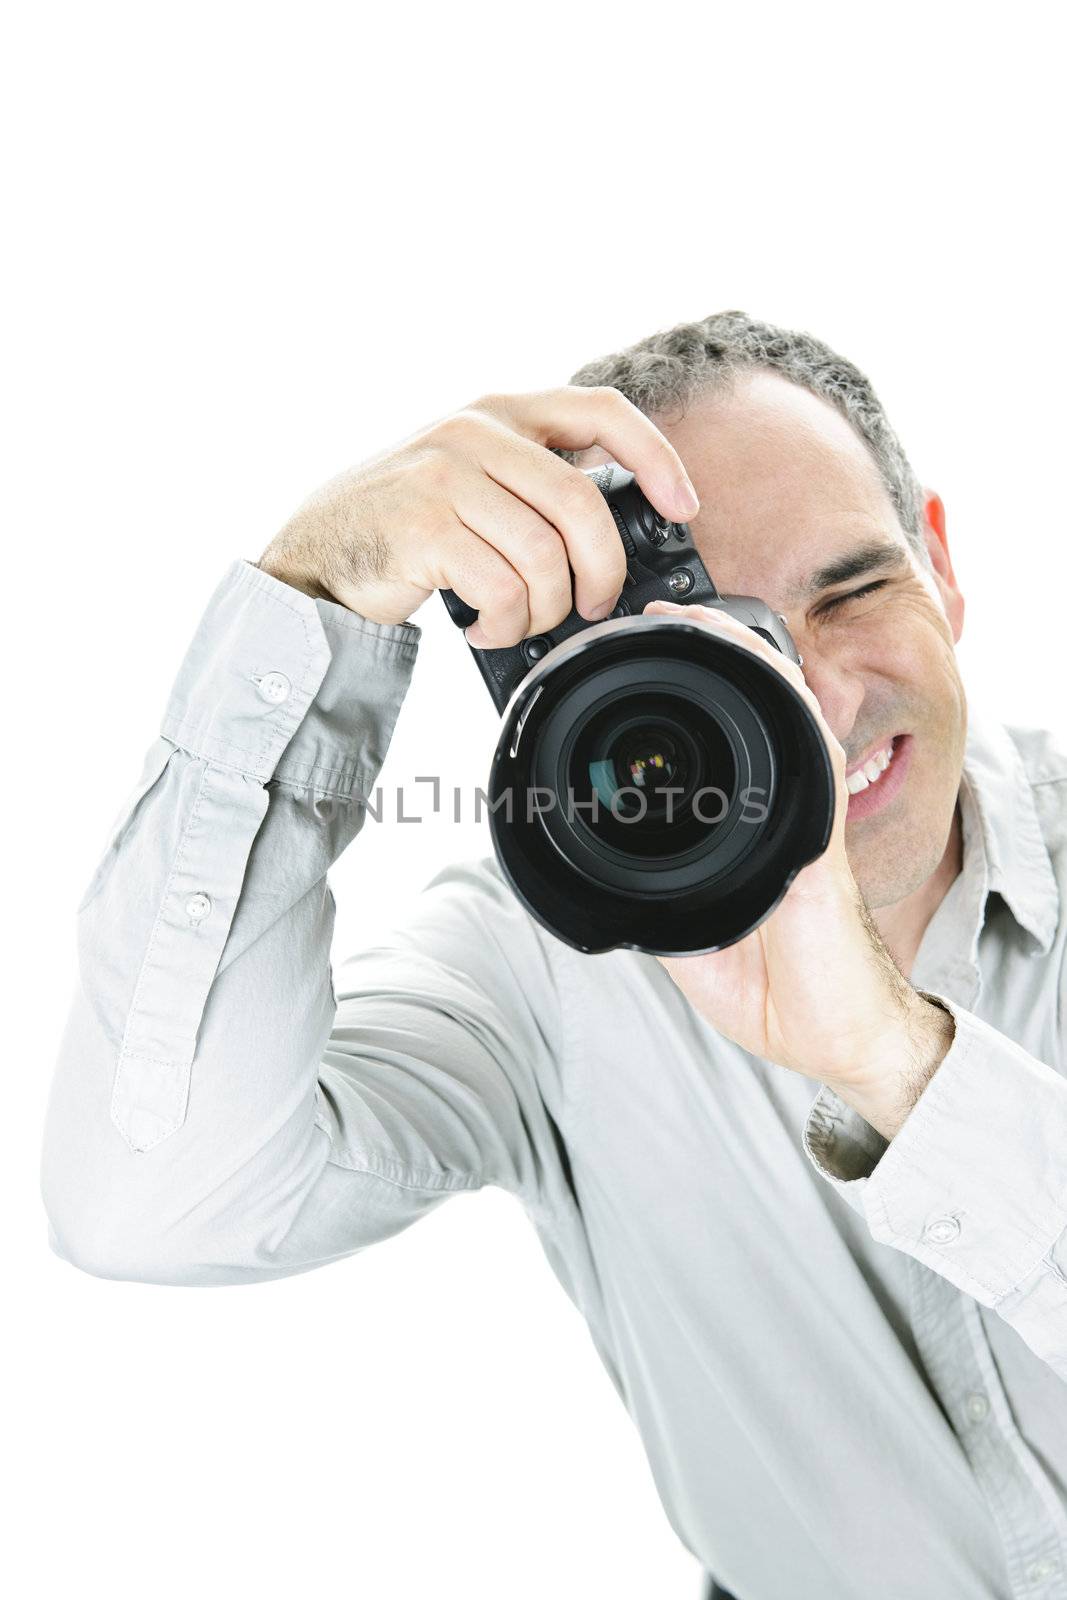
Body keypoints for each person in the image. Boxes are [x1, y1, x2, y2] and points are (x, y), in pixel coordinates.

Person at [40, 312, 1067, 1600]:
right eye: (724, 650)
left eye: (853, 590)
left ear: (943, 564)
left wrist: (892, 1060)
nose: (815, 705)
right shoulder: (545, 966)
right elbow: (149, 1199)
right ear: (590, 689)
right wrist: (310, 604)